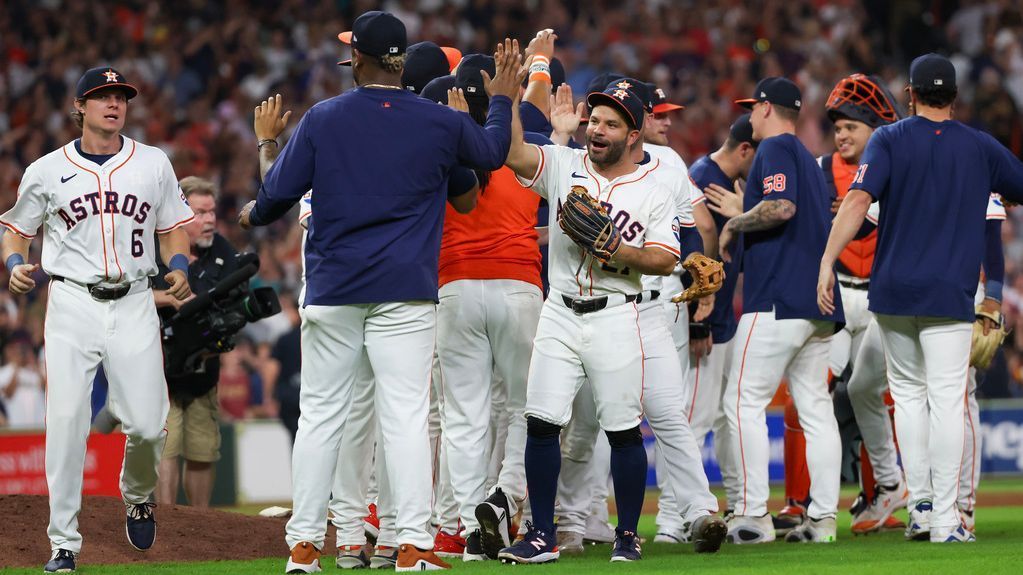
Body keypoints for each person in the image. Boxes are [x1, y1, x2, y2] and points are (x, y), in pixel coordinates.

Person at [237, 10, 524, 573]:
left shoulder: (324, 118)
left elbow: (272, 200)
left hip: (334, 289)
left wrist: (265, 159)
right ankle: (413, 545)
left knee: (321, 418)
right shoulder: (437, 121)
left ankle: (303, 549)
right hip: (406, 291)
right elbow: (491, 157)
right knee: (406, 418)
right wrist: (507, 98)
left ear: (358, 61)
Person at [818, 53, 1023, 543]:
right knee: (947, 401)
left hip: (891, 293)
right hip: (948, 293)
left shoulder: (888, 138)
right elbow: (1015, 188)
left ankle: (923, 509)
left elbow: (858, 200)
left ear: (910, 94)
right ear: (954, 96)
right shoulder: (980, 147)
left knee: (907, 399)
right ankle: (948, 522)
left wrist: (826, 260)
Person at [0, 66, 194, 573]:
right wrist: (15, 265)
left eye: (120, 96)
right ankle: (63, 542)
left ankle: (137, 493)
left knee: (151, 427)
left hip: (134, 300)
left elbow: (174, 229)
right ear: (80, 106)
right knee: (66, 423)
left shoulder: (152, 163)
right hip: (71, 304)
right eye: (102, 96)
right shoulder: (46, 169)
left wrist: (176, 265)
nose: (114, 103)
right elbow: (16, 231)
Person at [499, 82, 681, 563]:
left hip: (617, 313)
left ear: (633, 134)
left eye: (611, 124)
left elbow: (665, 258)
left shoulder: (655, 190)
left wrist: (617, 249)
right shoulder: (564, 164)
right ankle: (541, 534)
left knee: (622, 431)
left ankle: (626, 535)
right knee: (540, 422)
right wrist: (508, 98)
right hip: (559, 309)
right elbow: (514, 153)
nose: (598, 130)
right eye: (595, 120)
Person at [545, 79, 727, 555]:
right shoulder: (586, 163)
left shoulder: (669, 164)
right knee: (586, 421)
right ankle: (574, 518)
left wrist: (691, 267)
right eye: (656, 111)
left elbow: (695, 228)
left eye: (661, 112)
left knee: (667, 412)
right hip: (601, 307)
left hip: (654, 309)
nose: (663, 119)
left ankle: (699, 512)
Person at [436, 31, 555, 563]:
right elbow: (534, 104)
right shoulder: (522, 135)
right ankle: (504, 498)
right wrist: (537, 66)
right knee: (524, 407)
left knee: (463, 413)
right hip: (518, 285)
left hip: (454, 285)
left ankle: (466, 526)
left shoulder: (441, 139)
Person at [721, 77, 844, 544]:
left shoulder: (773, 148)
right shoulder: (812, 162)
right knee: (815, 408)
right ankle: (824, 520)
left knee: (742, 401)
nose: (750, 115)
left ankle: (753, 515)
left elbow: (781, 208)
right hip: (815, 303)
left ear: (769, 108)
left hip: (777, 299)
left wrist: (735, 221)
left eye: (754, 107)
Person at [683, 112, 758, 523]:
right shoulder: (703, 178)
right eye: (757, 155)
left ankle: (738, 504)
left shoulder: (730, 184)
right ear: (744, 149)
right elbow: (692, 253)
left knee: (728, 416)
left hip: (724, 319)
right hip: (705, 321)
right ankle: (678, 520)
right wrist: (698, 316)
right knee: (694, 420)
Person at [154, 176, 242, 509]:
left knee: (203, 449)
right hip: (162, 370)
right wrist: (171, 300)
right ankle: (168, 523)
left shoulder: (222, 249)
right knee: (167, 446)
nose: (209, 220)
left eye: (212, 212)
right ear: (180, 211)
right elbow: (131, 297)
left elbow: (235, 302)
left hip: (205, 368)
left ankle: (200, 527)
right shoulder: (155, 245)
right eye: (200, 212)